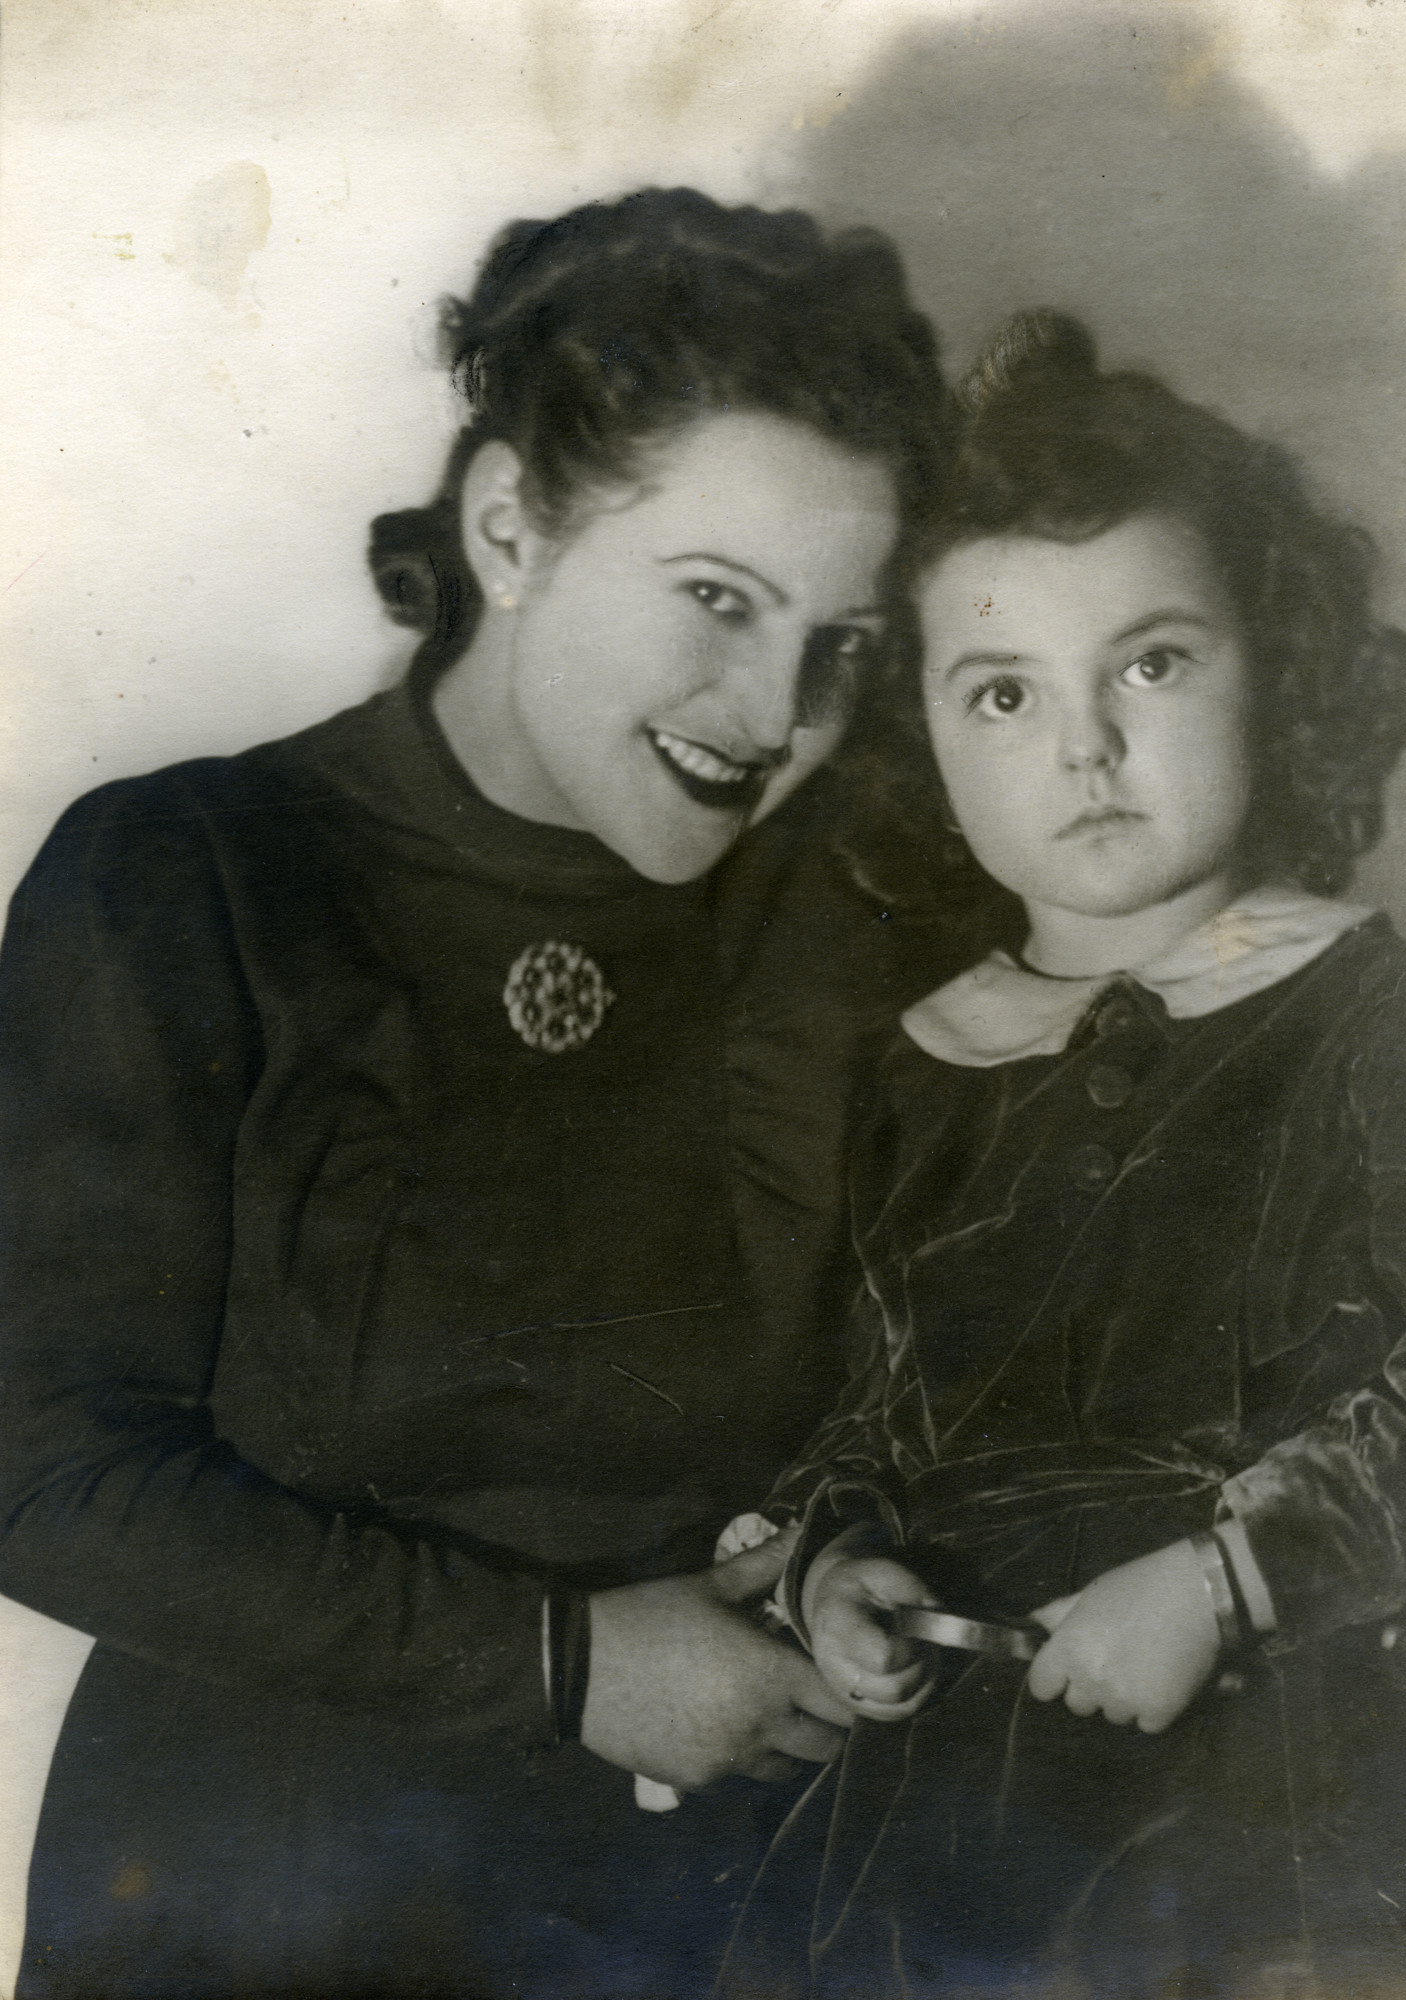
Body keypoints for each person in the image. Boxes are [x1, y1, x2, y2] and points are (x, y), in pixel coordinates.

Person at [0, 188, 952, 1999]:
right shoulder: (186, 878)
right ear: (510, 523)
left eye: (840, 641)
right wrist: (560, 1664)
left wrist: (848, 1561)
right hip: (263, 1900)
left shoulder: (841, 922)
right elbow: (36, 1471)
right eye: (714, 601)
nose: (772, 711)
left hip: (725, 1921)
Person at [715, 312, 1406, 1999]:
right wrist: (836, 1569)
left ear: (1276, 665)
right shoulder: (908, 1073)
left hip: (1286, 1785)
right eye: (1002, 693)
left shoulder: (1387, 1012)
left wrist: (1230, 1582)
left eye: (1149, 664)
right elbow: (856, 1416)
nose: (1081, 746)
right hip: (947, 1818)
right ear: (918, 745)